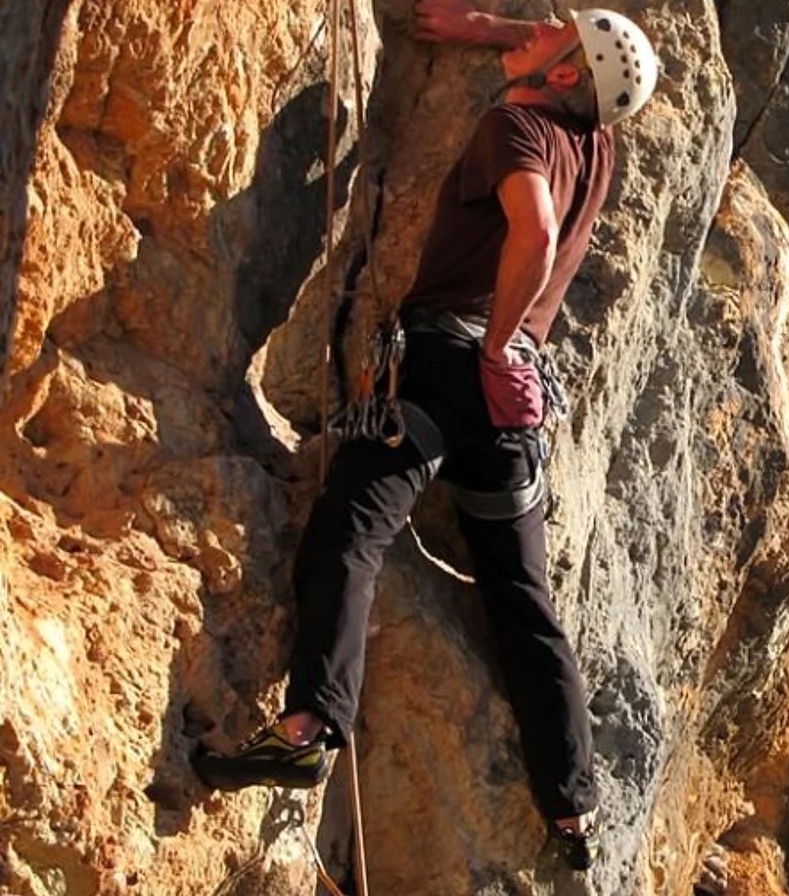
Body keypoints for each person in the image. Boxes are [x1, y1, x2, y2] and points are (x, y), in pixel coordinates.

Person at [191, 1, 660, 872]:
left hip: (452, 366)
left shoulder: (516, 126)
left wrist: (486, 346)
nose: (543, 18)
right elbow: (562, 72)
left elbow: (535, 227)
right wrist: (483, 31)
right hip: (517, 403)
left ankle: (308, 725)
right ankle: (571, 810)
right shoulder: (594, 147)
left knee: (354, 520)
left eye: (556, 32)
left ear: (561, 78)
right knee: (522, 598)